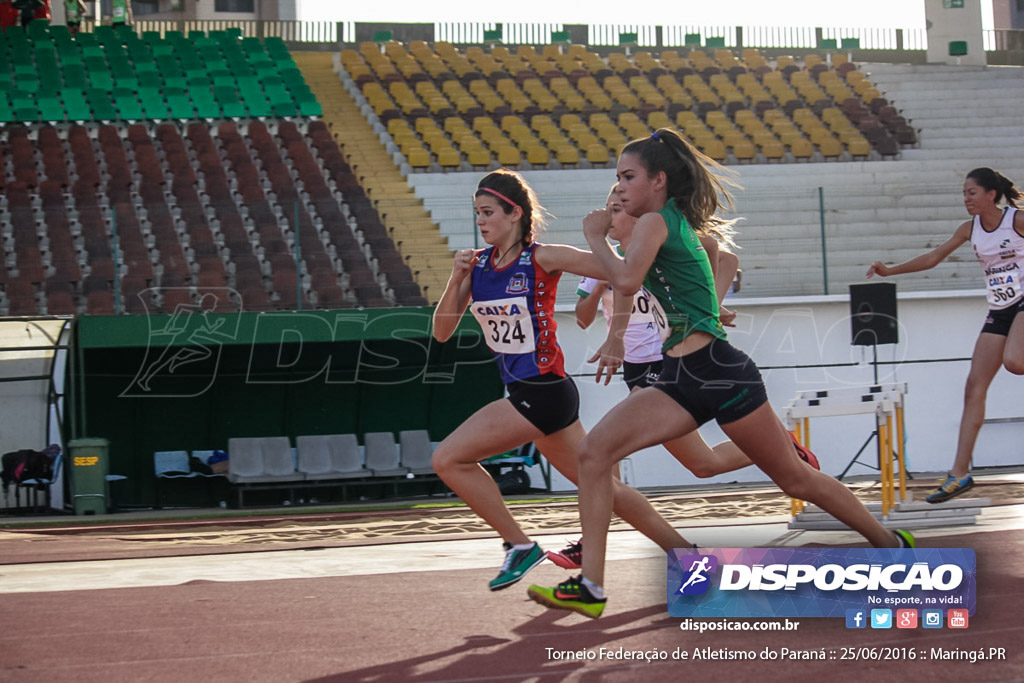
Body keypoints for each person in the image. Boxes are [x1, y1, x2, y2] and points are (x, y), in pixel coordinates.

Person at [527, 129, 915, 619]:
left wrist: (592, 237)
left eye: (628, 177)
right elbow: (654, 275)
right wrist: (639, 327)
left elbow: (626, 279)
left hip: (719, 372)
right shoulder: (660, 225)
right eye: (617, 179)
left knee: (795, 481)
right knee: (594, 453)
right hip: (676, 375)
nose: (619, 188)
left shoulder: (656, 223)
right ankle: (591, 586)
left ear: (659, 180)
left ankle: (888, 542)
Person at [431, 168, 701, 592]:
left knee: (448, 459)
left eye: (488, 213)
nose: (480, 222)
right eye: (477, 214)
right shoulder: (478, 265)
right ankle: (687, 555)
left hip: (543, 391)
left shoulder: (543, 257)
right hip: (530, 393)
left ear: (514, 213)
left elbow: (626, 272)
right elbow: (442, 331)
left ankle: (520, 545)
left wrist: (680, 302)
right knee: (605, 488)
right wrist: (455, 279)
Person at [545, 187, 820, 571]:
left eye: (618, 209)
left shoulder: (657, 250)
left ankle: (590, 546)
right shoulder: (606, 262)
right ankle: (783, 445)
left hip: (667, 362)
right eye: (607, 209)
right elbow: (585, 317)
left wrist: (710, 306)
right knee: (703, 464)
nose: (609, 217)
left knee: (602, 453)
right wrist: (599, 287)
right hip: (635, 367)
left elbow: (721, 255)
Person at [867, 167, 1024, 504]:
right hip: (1000, 308)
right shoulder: (969, 229)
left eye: (971, 192)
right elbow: (934, 257)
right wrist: (890, 270)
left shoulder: (1017, 221)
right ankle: (959, 474)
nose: (965, 198)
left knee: (1015, 361)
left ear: (991, 194)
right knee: (974, 387)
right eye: (964, 193)